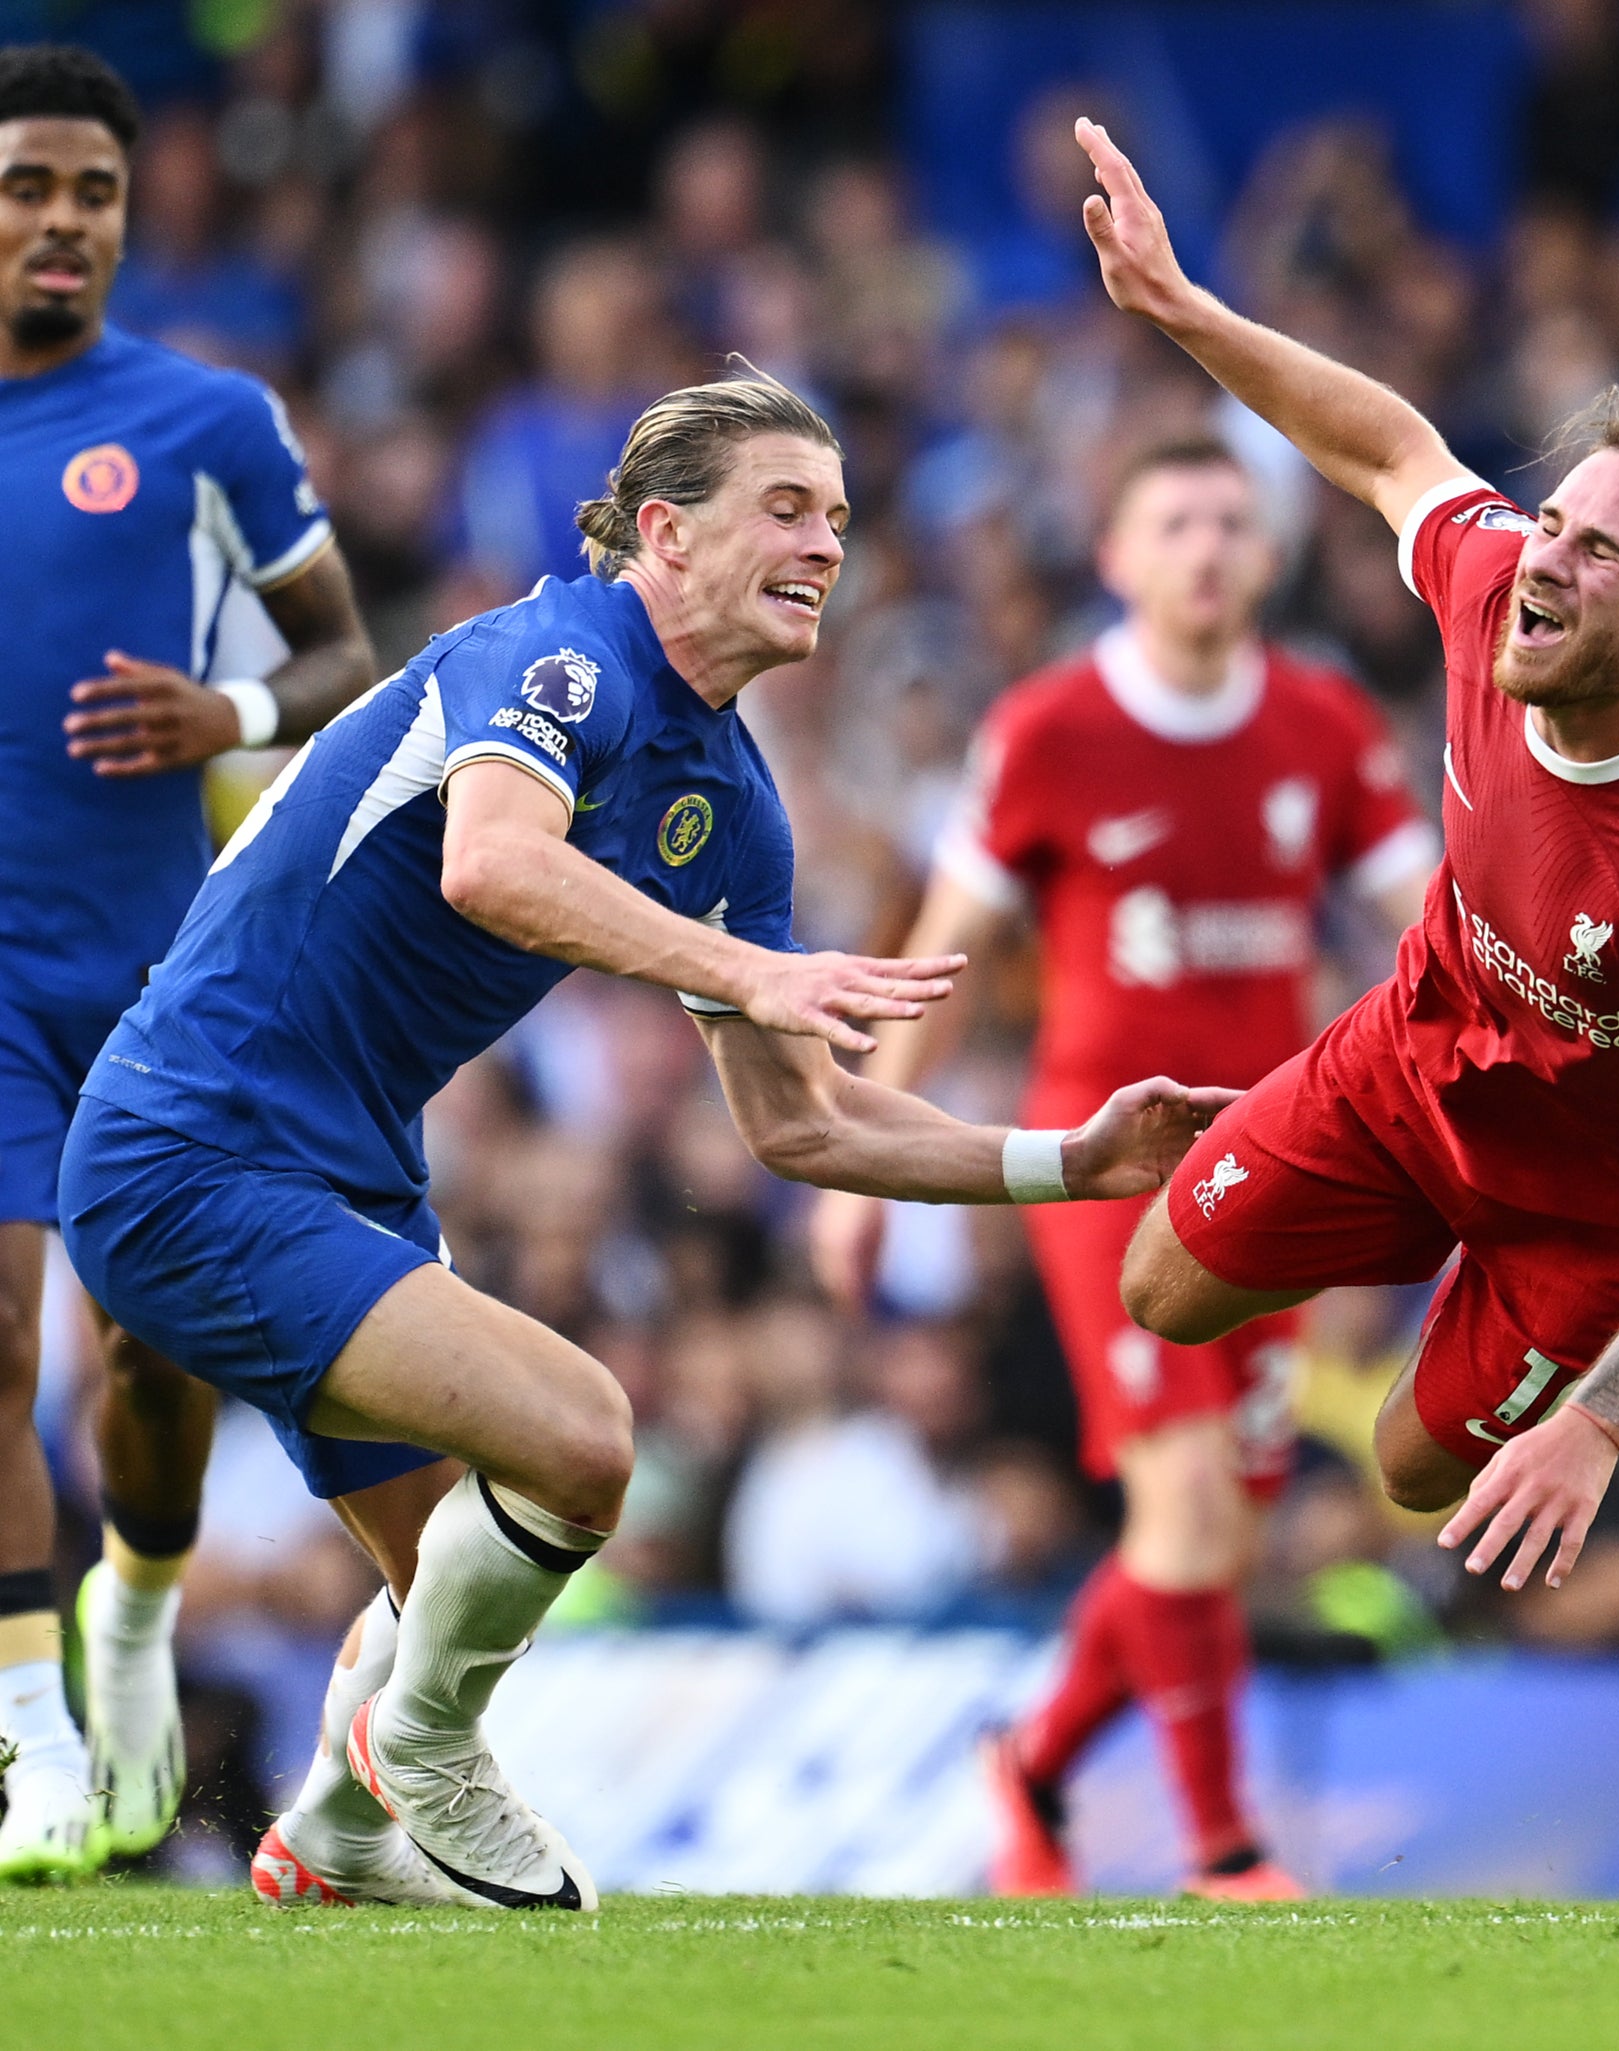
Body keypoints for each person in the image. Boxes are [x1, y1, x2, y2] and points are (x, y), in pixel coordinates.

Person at [58, 370, 1232, 1911]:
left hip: (345, 1172)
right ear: (664, 535)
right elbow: (490, 865)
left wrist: (1066, 1160)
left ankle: (340, 1825)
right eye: (787, 509)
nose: (827, 545)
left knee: (442, 1589)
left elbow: (799, 1121)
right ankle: (422, 1754)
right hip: (189, 1146)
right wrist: (741, 967)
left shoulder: (732, 805)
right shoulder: (559, 654)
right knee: (583, 1442)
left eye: (841, 518)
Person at [1074, 121, 1619, 1606]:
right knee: (1158, 1290)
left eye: (1602, 554)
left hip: (1594, 1210)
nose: (1544, 559)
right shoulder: (1496, 592)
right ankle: (1395, 1208)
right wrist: (1181, 308)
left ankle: (1482, 1290)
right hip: (1409, 1066)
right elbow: (1387, 450)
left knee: (1417, 1474)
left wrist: (1601, 1425)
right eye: (1550, 521)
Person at [811, 433, 1435, 1900]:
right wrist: (857, 1161)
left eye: (1232, 520)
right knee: (1191, 1505)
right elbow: (942, 959)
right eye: (1175, 521)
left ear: (1267, 554)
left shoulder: (1325, 725)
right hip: (1102, 1165)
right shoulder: (1049, 730)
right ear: (1118, 558)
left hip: (1273, 1165)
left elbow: (1430, 930)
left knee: (1207, 1528)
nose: (1208, 546)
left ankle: (1028, 1765)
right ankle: (1224, 1852)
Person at [0, 44, 379, 1884]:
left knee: (147, 1367)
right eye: (26, 188)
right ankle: (28, 1739)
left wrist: (223, 706)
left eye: (92, 194)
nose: (61, 222)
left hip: (157, 971)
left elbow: (343, 661)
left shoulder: (206, 421)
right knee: (0, 1340)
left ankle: (133, 1618)